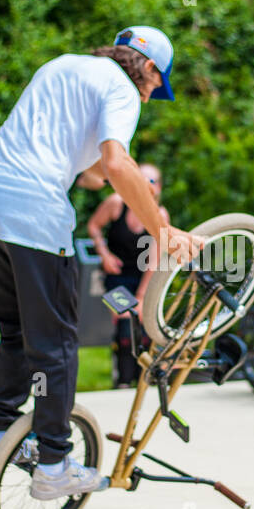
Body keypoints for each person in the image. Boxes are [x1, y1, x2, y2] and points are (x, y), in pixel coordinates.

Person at [0, 26, 201, 501]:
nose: (149, 99)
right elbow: (117, 163)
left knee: (16, 329)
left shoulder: (63, 64)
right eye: (155, 87)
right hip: (32, 211)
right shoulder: (123, 89)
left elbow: (82, 162)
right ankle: (54, 462)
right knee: (58, 343)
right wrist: (162, 232)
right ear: (147, 68)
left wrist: (101, 177)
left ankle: (1, 431)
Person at [86, 163, 169, 387]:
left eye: (150, 181)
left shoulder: (159, 215)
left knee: (144, 325)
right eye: (140, 179)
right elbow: (93, 226)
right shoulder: (116, 203)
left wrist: (142, 296)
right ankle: (122, 381)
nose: (145, 185)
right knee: (126, 319)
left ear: (158, 187)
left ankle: (145, 379)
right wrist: (104, 254)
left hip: (145, 281)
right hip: (116, 279)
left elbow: (154, 261)